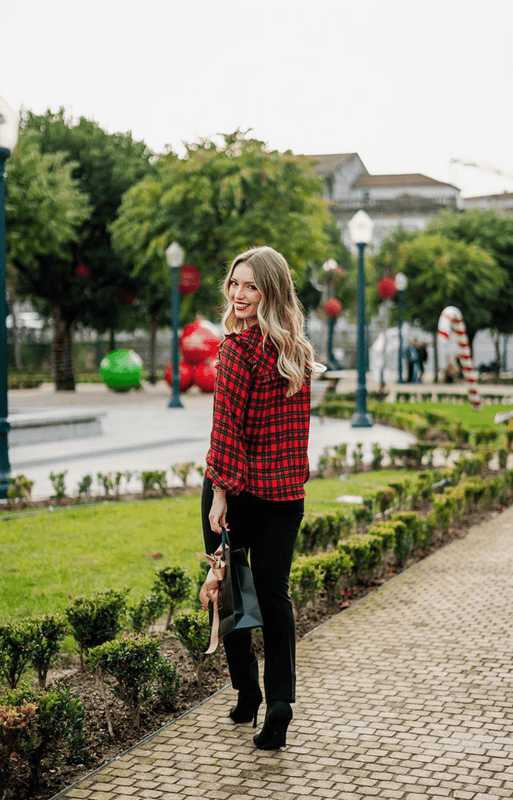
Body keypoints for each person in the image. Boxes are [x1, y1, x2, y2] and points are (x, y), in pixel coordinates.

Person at [201, 245, 324, 750]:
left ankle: (249, 692)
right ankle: (278, 704)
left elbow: (226, 426)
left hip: (235, 491)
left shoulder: (237, 348)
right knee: (274, 595)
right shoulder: (298, 352)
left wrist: (219, 493)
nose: (239, 294)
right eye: (235, 283)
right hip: (285, 495)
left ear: (270, 291)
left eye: (251, 285)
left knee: (231, 589)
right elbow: (295, 434)